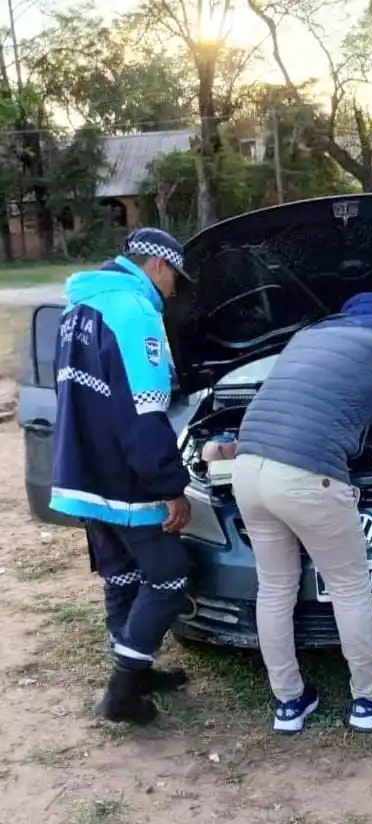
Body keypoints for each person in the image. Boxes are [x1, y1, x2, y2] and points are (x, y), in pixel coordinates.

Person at [232, 292, 372, 733]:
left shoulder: (308, 335)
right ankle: (370, 701)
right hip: (307, 477)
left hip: (247, 466)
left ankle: (289, 703)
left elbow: (318, 413)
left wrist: (366, 454)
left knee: (274, 588)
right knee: (350, 588)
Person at [49, 228, 195, 725]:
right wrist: (170, 486)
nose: (173, 291)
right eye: (175, 278)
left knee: (122, 575)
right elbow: (144, 410)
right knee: (169, 576)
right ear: (157, 266)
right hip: (126, 479)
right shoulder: (134, 311)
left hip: (83, 471)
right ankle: (122, 692)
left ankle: (138, 672)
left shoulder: (77, 310)